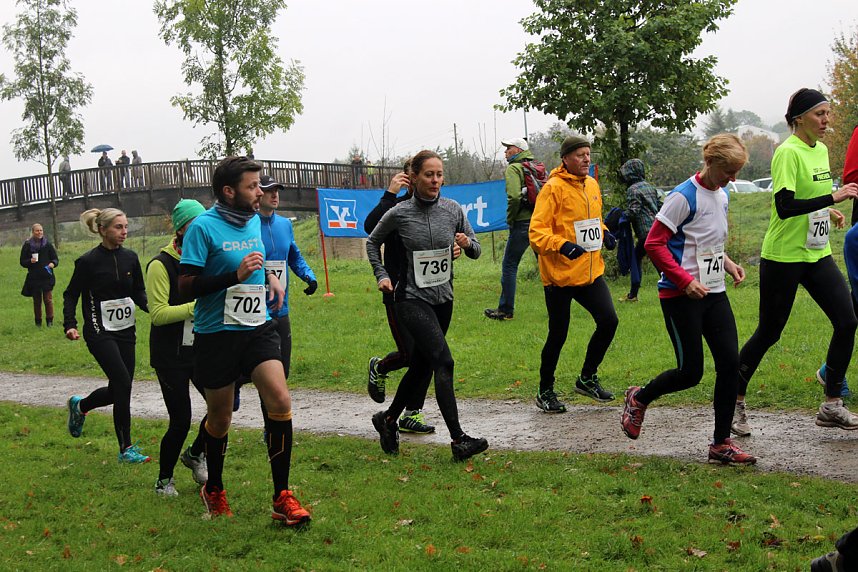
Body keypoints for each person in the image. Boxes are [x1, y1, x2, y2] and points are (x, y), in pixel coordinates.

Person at [178, 156, 311, 524]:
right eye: (252, 187)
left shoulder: (253, 220)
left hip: (257, 327)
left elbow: (259, 256)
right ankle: (214, 488)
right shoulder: (202, 228)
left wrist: (267, 279)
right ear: (228, 191)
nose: (259, 192)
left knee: (280, 399)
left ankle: (281, 495)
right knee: (220, 419)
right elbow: (185, 285)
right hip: (217, 334)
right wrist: (233, 276)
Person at [619, 134, 757, 465]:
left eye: (737, 172)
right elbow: (654, 244)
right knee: (690, 372)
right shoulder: (683, 197)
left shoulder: (722, 195)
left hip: (714, 293)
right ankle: (640, 397)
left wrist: (727, 263)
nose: (733, 179)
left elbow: (707, 242)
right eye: (729, 171)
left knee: (729, 364)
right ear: (710, 163)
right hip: (680, 296)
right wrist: (685, 280)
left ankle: (720, 443)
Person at [731, 88, 858, 436]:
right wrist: (833, 195)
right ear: (798, 118)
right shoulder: (787, 153)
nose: (827, 121)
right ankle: (734, 401)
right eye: (820, 114)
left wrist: (826, 209)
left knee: (847, 321)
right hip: (783, 257)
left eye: (828, 114)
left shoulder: (822, 151)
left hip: (816, 253)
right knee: (769, 332)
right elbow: (785, 207)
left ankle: (832, 403)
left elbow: (807, 196)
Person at [366, 150, 488, 461]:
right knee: (443, 362)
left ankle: (388, 419)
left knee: (421, 366)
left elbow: (476, 249)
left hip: (443, 299)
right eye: (428, 175)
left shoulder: (452, 209)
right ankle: (459, 439)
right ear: (415, 178)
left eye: (439, 175)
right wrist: (382, 274)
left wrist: (465, 245)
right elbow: (371, 240)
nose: (435, 180)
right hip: (410, 299)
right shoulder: (400, 212)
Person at [528, 135, 618, 413]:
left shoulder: (591, 184)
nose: (586, 159)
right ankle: (545, 391)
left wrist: (605, 234)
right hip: (559, 277)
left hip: (590, 272)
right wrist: (562, 245)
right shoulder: (552, 188)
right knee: (558, 334)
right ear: (565, 159)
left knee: (609, 321)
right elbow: (536, 233)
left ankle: (587, 378)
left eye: (588, 154)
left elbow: (591, 223)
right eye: (580, 155)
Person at [64, 208, 151, 463]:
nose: (124, 232)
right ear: (102, 230)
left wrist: (155, 310)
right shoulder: (88, 262)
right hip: (99, 331)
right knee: (123, 383)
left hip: (126, 330)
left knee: (119, 390)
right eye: (118, 227)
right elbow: (71, 294)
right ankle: (126, 449)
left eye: (125, 227)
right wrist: (70, 323)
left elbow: (138, 292)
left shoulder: (131, 258)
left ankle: (80, 406)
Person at [365, 163, 438, 435]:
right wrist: (389, 194)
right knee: (410, 354)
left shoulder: (435, 206)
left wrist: (455, 248)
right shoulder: (397, 207)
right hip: (398, 291)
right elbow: (370, 229)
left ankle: (412, 414)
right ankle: (380, 367)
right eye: (422, 174)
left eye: (435, 174)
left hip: (430, 290)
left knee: (430, 353)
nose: (430, 179)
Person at [147, 199, 209, 496]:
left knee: (223, 407)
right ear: (183, 229)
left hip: (199, 349)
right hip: (169, 354)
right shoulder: (160, 264)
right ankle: (163, 480)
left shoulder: (205, 258)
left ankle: (196, 453)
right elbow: (158, 314)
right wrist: (194, 309)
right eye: (197, 224)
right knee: (181, 419)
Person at [249, 174, 318, 435]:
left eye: (277, 190)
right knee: (263, 374)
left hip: (281, 309)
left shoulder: (284, 225)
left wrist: (309, 276)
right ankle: (271, 427)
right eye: (268, 191)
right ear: (258, 194)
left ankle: (271, 423)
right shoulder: (249, 225)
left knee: (282, 373)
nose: (274, 195)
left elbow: (294, 256)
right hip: (256, 310)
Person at [484, 137, 537, 321]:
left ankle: (506, 310)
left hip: (522, 223)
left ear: (517, 150)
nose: (505, 152)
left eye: (508, 149)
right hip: (539, 221)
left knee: (509, 265)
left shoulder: (514, 168)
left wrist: (511, 218)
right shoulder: (536, 166)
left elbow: (514, 197)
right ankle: (558, 305)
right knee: (546, 267)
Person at [617, 158, 661, 302]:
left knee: (641, 261)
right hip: (656, 230)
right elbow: (660, 206)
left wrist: (621, 218)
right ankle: (633, 294)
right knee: (657, 261)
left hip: (645, 233)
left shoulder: (633, 189)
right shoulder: (650, 187)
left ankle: (633, 295)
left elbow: (634, 210)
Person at [20, 223, 58, 327]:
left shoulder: (47, 244)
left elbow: (55, 258)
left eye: (41, 230)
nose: (39, 232)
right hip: (34, 277)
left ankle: (50, 321)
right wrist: (30, 261)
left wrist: (53, 264)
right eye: (37, 231)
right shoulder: (27, 245)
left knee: (48, 300)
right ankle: (38, 322)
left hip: (47, 276)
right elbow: (22, 262)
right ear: (33, 232)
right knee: (37, 301)